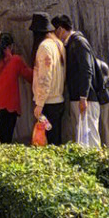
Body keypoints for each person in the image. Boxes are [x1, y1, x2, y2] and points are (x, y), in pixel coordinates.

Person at [52, 15, 102, 148]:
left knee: (90, 138)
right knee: (81, 139)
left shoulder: (79, 42)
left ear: (61, 29)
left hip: (86, 99)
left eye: (55, 31)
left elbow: (87, 70)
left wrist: (83, 97)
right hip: (78, 98)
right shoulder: (71, 43)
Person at [30, 12, 66, 144]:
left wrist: (39, 103)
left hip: (48, 103)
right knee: (55, 140)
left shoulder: (44, 47)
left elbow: (45, 78)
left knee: (45, 142)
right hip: (58, 100)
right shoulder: (58, 44)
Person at [0, 32, 33, 143]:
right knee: (7, 139)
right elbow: (30, 77)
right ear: (10, 46)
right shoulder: (15, 60)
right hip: (10, 107)